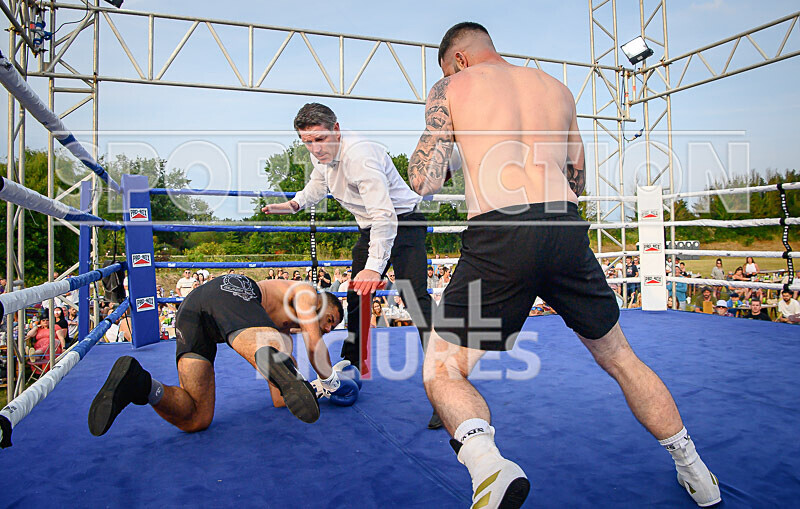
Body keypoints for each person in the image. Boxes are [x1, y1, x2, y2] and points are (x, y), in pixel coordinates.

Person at [407, 23, 719, 508]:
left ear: (459, 61)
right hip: (564, 226)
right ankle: (695, 469)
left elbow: (424, 180)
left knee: (442, 370)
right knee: (621, 358)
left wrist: (453, 149)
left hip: (500, 233)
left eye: (448, 67)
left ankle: (489, 468)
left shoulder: (452, 86)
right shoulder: (556, 88)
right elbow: (576, 174)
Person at [262, 102, 439, 428]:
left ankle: (444, 384)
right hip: (371, 228)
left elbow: (385, 215)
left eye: (320, 139)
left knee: (416, 301)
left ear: (338, 130)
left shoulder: (361, 156)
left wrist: (374, 268)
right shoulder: (322, 157)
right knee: (357, 297)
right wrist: (295, 204)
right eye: (308, 142)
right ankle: (351, 365)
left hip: (404, 224)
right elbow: (318, 185)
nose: (316, 148)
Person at [88, 275, 357, 437]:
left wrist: (317, 390)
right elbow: (314, 344)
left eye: (332, 328)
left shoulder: (278, 333)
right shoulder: (307, 293)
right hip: (232, 291)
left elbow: (280, 398)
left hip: (192, 313)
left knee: (196, 418)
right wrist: (332, 380)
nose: (327, 328)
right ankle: (268, 357)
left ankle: (141, 385)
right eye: (330, 320)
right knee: (274, 351)